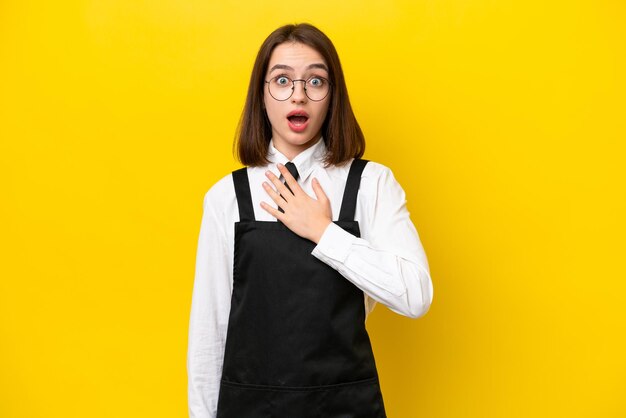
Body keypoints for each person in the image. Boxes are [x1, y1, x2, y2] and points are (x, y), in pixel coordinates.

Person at [187, 23, 434, 418]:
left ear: (332, 95)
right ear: (261, 95)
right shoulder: (226, 197)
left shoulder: (371, 184)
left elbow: (416, 296)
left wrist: (324, 232)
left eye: (315, 81)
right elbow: (209, 333)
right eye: (282, 80)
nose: (298, 95)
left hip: (345, 407)